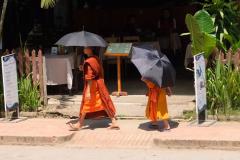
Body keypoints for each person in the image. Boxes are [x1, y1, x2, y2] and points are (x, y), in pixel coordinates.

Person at [68, 47, 119, 130]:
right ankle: (114, 121)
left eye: (86, 47)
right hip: (99, 84)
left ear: (91, 49)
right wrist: (83, 68)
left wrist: (88, 91)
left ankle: (79, 124)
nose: (84, 49)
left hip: (92, 86)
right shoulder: (95, 58)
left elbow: (90, 77)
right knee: (103, 102)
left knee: (86, 104)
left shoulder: (89, 61)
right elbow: (96, 71)